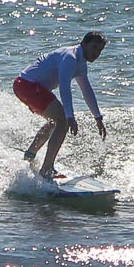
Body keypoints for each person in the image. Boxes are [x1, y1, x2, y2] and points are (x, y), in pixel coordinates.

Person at [13, 31, 109, 179]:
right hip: (27, 85)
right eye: (94, 47)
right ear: (84, 43)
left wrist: (98, 117)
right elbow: (64, 86)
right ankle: (47, 169)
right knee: (62, 121)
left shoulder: (80, 63)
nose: (96, 53)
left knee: (55, 121)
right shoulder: (70, 57)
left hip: (26, 86)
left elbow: (86, 90)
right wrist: (70, 116)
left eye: (99, 50)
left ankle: (30, 154)